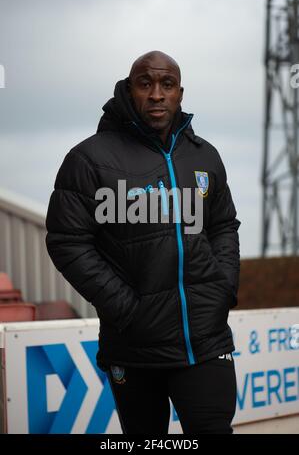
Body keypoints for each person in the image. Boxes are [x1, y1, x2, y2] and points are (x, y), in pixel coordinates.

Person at [45, 50, 241, 434]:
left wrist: (223, 288)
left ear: (179, 94)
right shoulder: (89, 159)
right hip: (134, 348)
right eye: (145, 84)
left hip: (206, 340)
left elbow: (224, 226)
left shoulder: (204, 157)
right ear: (128, 90)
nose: (156, 94)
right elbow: (67, 241)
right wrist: (127, 309)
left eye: (166, 85)